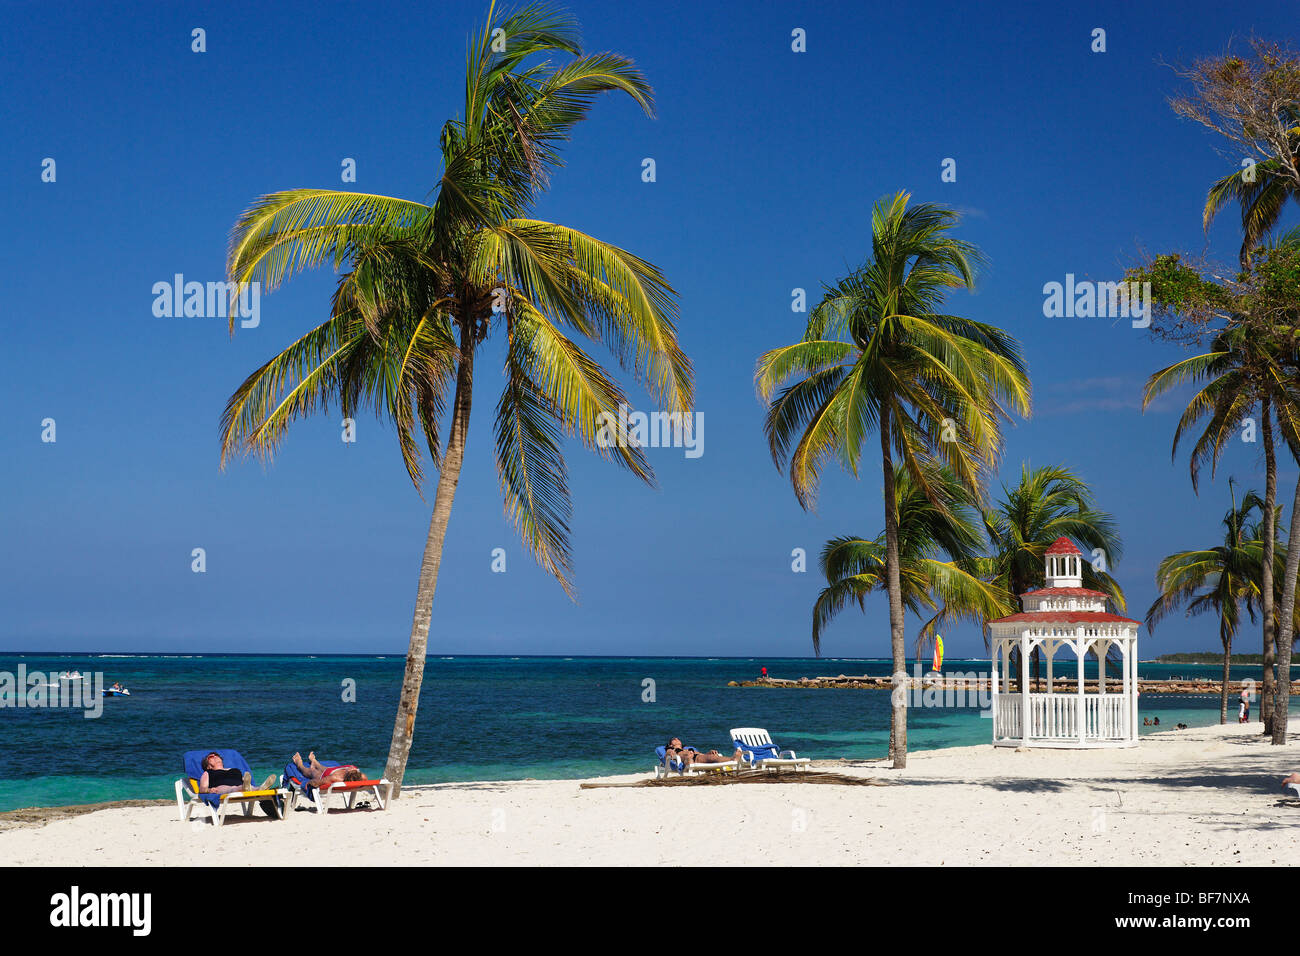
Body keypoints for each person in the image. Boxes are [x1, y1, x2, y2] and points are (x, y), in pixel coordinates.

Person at [198, 752, 275, 794]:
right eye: (211, 757)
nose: (215, 757)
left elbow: (244, 781)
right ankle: (247, 788)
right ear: (208, 766)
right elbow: (202, 788)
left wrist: (245, 782)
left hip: (241, 785)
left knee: (249, 787)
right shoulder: (208, 772)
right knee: (232, 788)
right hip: (221, 787)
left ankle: (260, 788)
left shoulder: (234, 770)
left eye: (217, 755)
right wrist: (209, 790)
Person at [662, 737, 745, 770]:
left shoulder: (688, 748)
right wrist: (671, 753)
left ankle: (732, 759)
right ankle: (689, 760)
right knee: (687, 755)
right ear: (670, 744)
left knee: (714, 757)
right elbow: (667, 755)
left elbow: (700, 754)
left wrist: (709, 752)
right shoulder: (671, 749)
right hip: (683, 758)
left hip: (696, 757)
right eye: (674, 739)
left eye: (678, 739)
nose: (676, 739)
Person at [292, 751, 365, 788]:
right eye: (355, 769)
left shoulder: (335, 778)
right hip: (333, 770)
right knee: (325, 768)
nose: (352, 766)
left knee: (312, 771)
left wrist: (308, 783)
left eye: (351, 769)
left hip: (323, 775)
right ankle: (315, 762)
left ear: (347, 773)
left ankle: (299, 764)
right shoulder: (361, 777)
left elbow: (317, 782)